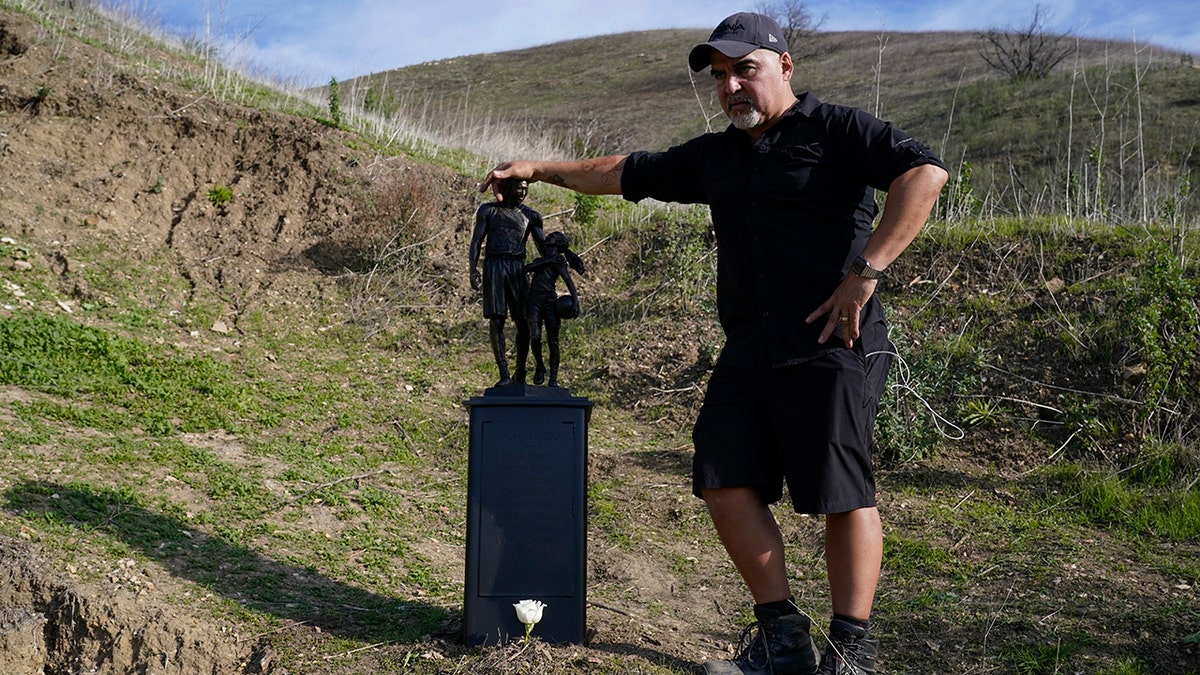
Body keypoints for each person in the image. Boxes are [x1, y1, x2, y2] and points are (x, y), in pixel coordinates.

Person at [481, 11, 948, 674]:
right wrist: (541, 169)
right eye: (720, 76)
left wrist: (864, 274)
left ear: (784, 67)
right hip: (751, 342)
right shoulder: (717, 157)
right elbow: (623, 171)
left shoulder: (837, 129)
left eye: (744, 70)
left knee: (843, 492)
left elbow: (924, 174)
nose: (731, 86)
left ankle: (851, 651)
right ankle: (784, 640)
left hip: (831, 335)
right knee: (723, 477)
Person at [469, 178, 546, 387]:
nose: (522, 192)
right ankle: (503, 372)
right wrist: (472, 269)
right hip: (494, 266)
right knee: (497, 319)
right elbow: (476, 241)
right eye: (519, 188)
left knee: (523, 321)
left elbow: (544, 248)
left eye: (526, 189)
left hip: (517, 268)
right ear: (508, 188)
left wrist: (561, 256)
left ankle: (520, 371)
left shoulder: (530, 216)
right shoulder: (489, 211)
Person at [523, 231, 583, 387]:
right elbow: (526, 268)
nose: (548, 236)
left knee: (553, 341)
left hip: (549, 302)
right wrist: (549, 259)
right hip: (534, 302)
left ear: (557, 243)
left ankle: (554, 378)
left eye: (553, 236)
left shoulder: (559, 263)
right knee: (535, 336)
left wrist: (575, 299)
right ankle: (540, 366)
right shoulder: (545, 260)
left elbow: (568, 280)